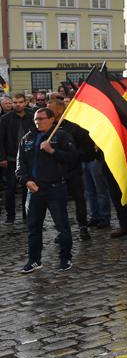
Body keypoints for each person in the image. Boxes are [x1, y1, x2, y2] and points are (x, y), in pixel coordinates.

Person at [17, 107, 76, 272]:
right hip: (34, 189)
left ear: (51, 119)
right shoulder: (27, 138)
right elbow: (20, 163)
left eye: (41, 119)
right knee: (33, 228)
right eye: (36, 119)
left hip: (55, 188)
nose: (38, 122)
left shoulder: (61, 136)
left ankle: (65, 259)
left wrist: (52, 151)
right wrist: (25, 180)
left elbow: (73, 158)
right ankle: (34, 260)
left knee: (62, 226)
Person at [46, 99, 93, 241]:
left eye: (50, 110)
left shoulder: (75, 128)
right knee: (58, 203)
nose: (47, 113)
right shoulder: (47, 129)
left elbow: (86, 150)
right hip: (54, 173)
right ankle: (62, 230)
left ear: (59, 111)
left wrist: (72, 156)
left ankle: (82, 227)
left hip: (73, 171)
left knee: (79, 199)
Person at [0, 93, 34, 223]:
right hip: (11, 159)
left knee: (28, 188)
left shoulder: (32, 116)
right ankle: (10, 215)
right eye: (15, 102)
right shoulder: (5, 118)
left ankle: (28, 215)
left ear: (25, 102)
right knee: (10, 188)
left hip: (29, 159)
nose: (17, 104)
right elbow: (1, 140)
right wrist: (2, 158)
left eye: (20, 102)